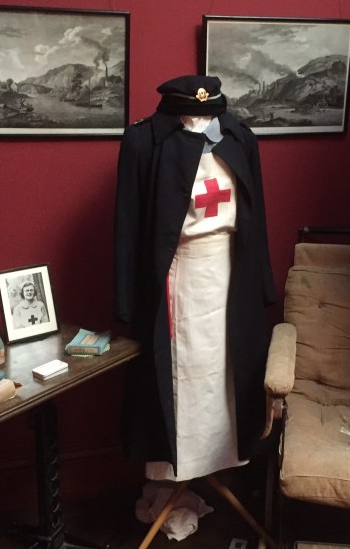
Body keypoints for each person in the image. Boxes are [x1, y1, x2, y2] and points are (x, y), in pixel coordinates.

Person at [114, 75, 276, 483]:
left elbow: (256, 219)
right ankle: (176, 475)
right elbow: (127, 225)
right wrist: (125, 300)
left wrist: (262, 284)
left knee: (227, 373)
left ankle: (224, 460)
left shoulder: (240, 137)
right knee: (179, 377)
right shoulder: (142, 142)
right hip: (176, 277)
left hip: (230, 277)